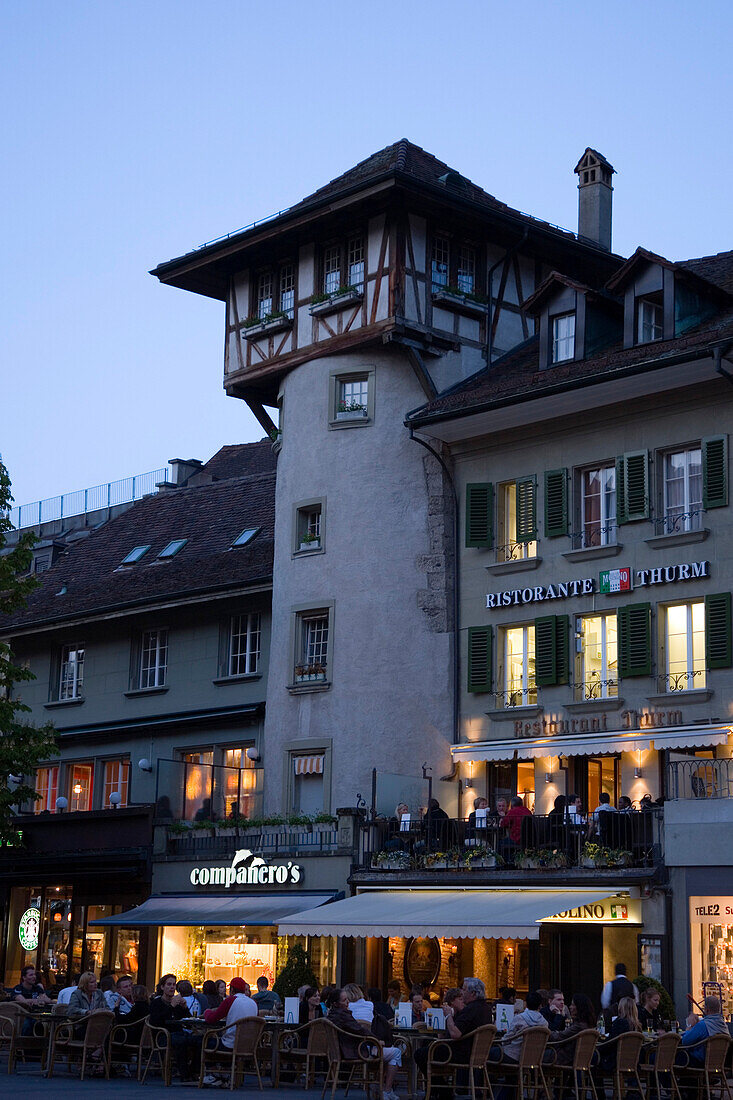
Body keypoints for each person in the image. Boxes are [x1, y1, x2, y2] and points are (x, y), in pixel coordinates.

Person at [327, 988, 402, 1100]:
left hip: (343, 1050)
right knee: (396, 1052)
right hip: (355, 1051)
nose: (347, 1002)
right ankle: (386, 1091)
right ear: (336, 1003)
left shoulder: (332, 1015)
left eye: (347, 999)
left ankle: (380, 1087)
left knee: (387, 1054)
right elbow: (360, 1030)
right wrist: (377, 1040)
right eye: (344, 1000)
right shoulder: (344, 1016)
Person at [150, 973, 202, 1080]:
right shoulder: (157, 1002)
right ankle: (184, 1074)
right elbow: (156, 1021)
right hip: (163, 1035)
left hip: (179, 1033)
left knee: (200, 1040)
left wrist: (184, 1008)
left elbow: (188, 1021)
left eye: (173, 985)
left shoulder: (177, 1002)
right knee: (181, 1041)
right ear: (162, 987)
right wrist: (171, 1006)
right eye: (169, 984)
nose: (171, 987)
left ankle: (194, 1071)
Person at [202, 977, 258, 1049]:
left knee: (201, 1041)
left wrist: (207, 1011)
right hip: (248, 1046)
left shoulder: (230, 1000)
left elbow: (212, 1019)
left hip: (230, 1045)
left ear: (232, 989)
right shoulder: (253, 1003)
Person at [499, 990, 549, 1062]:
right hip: (534, 1058)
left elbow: (507, 1038)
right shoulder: (544, 1023)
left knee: (487, 1053)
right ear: (540, 1005)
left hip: (513, 1055)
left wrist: (500, 1042)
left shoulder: (519, 1018)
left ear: (526, 1004)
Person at [550, 993, 597, 1066]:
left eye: (573, 1005)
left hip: (566, 1057)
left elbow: (560, 1037)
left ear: (579, 1007)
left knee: (537, 1055)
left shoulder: (578, 1026)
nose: (570, 1007)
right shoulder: (588, 1024)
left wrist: (545, 1032)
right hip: (578, 1057)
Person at [597, 997, 641, 1074]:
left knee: (593, 1058)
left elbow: (611, 1042)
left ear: (621, 1008)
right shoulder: (637, 1026)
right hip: (632, 1061)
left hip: (615, 1060)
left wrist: (597, 1047)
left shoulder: (620, 1023)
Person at [681, 995, 729, 1064]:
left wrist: (689, 1026)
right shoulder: (723, 1025)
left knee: (677, 1055)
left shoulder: (703, 1025)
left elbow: (685, 1041)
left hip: (701, 1062)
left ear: (706, 1010)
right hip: (720, 1063)